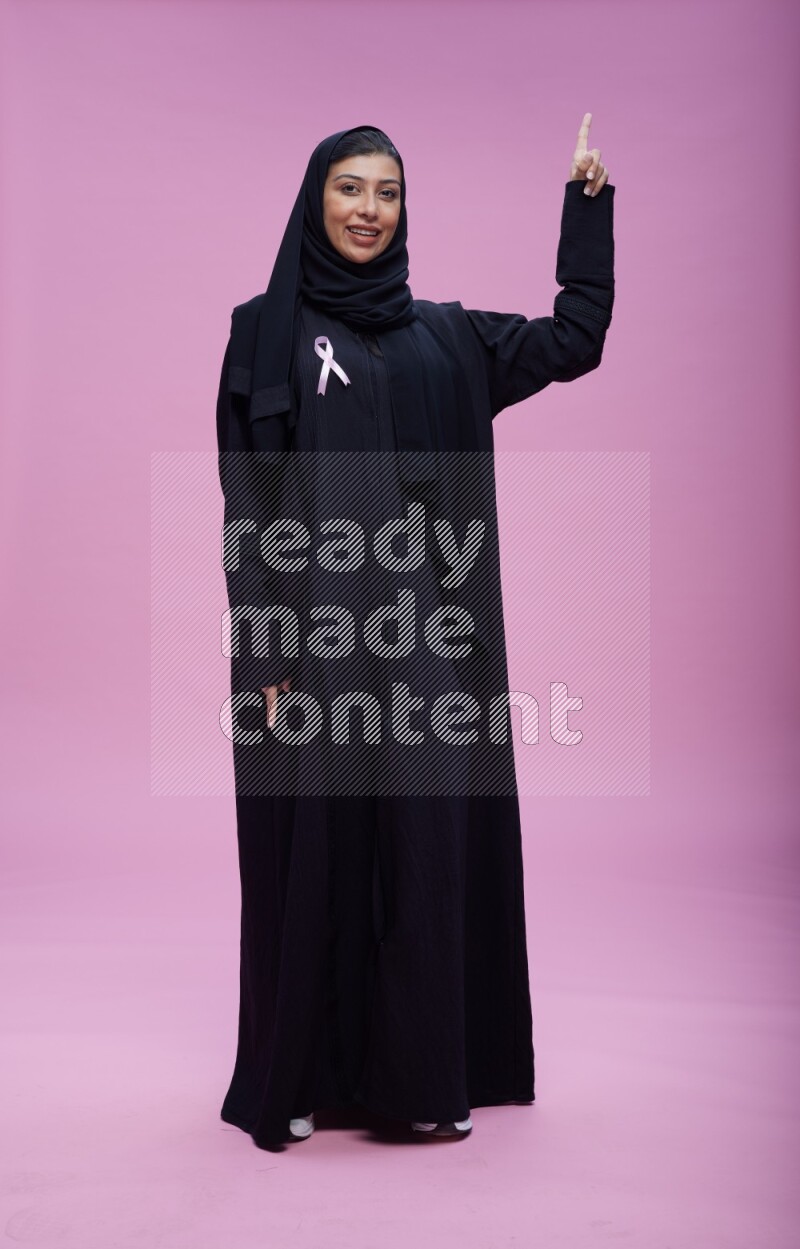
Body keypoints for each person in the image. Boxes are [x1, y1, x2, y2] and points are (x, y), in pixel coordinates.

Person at [215, 119, 615, 1149]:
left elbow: (573, 338)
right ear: (314, 200)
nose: (365, 209)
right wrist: (262, 654)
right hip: (311, 650)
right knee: (317, 856)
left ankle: (423, 1080)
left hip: (430, 644)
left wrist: (585, 209)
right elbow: (249, 511)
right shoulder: (264, 332)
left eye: (385, 192)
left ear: (403, 209)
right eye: (347, 189)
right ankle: (299, 1077)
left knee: (426, 847)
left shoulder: (446, 336)